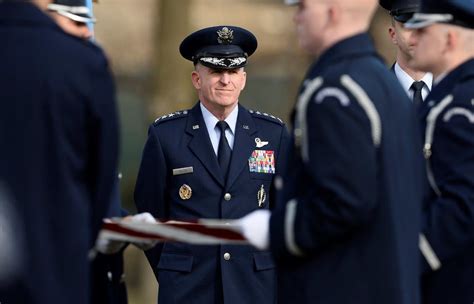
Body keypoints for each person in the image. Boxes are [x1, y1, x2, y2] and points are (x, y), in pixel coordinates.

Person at [239, 0, 423, 303]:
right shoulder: (379, 81)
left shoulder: (335, 90)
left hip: (341, 285)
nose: (296, 16)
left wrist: (277, 228)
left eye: (303, 7)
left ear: (331, 12)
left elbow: (345, 200)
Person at [134, 25, 290, 304]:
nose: (225, 81)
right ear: (197, 79)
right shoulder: (166, 135)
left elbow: (283, 211)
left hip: (254, 288)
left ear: (243, 79)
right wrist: (176, 267)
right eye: (216, 72)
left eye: (233, 72)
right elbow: (151, 212)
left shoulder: (272, 134)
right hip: (188, 289)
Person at [0, 0, 119, 303]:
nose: (86, 34)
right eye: (76, 23)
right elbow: (97, 190)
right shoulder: (82, 65)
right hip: (49, 279)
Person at [404, 1, 474, 303]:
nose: (412, 36)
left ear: (450, 39)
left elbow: (463, 205)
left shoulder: (453, 108)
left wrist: (404, 262)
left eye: (422, 29)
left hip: (452, 281)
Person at [380, 0, 433, 104]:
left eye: (424, 25)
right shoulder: (375, 92)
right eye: (409, 25)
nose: (417, 35)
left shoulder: (456, 90)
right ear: (393, 35)